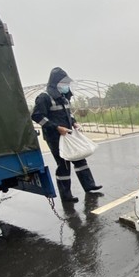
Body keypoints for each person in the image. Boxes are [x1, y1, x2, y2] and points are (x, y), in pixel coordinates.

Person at [31, 67, 102, 203]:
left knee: (80, 160)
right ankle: (66, 195)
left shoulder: (63, 97)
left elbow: (68, 114)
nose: (66, 86)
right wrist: (56, 127)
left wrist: (74, 123)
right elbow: (37, 116)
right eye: (63, 83)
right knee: (63, 165)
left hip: (68, 135)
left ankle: (89, 185)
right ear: (56, 83)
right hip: (55, 138)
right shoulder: (44, 97)